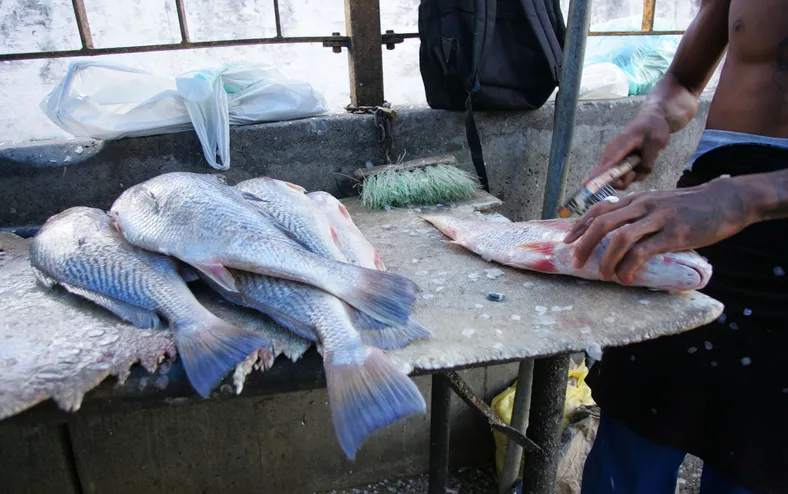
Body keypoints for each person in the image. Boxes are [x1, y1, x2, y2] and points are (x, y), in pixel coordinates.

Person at [567, 1, 788, 493]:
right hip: (700, 216)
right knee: (633, 422)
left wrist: (744, 197)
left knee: (758, 461)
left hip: (746, 218)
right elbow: (684, 84)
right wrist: (654, 117)